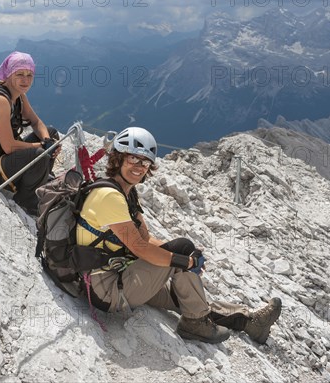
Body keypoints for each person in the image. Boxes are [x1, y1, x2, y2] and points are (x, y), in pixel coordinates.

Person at [76, 127, 282, 344]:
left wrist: (182, 256)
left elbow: (146, 239)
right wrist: (183, 258)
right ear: (118, 158)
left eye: (144, 162)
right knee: (183, 250)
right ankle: (195, 324)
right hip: (107, 289)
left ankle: (248, 321)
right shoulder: (109, 196)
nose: (139, 167)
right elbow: (139, 247)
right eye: (133, 158)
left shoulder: (128, 194)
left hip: (121, 275)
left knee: (187, 298)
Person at [0, 51, 60, 215]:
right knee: (40, 154)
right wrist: (43, 146)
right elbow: (9, 147)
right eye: (20, 74)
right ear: (9, 74)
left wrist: (47, 140)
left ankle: (39, 179)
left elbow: (36, 122)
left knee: (51, 133)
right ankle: (27, 199)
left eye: (29, 75)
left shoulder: (18, 96)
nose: (26, 80)